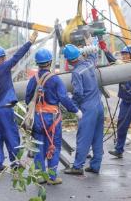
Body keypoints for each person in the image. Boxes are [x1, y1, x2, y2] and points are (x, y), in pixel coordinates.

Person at [25, 48, 82, 185]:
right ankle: (52, 177)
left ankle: (40, 176)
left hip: (38, 118)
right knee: (53, 145)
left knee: (39, 146)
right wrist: (76, 111)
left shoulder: (34, 79)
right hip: (52, 118)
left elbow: (28, 99)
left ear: (38, 63)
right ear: (50, 62)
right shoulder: (55, 79)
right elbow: (63, 98)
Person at [0, 31, 38, 172]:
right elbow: (16, 57)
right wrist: (30, 42)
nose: (6, 58)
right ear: (1, 58)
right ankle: (15, 161)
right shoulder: (2, 68)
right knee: (11, 134)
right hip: (5, 108)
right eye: (4, 57)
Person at [63, 44, 104, 175]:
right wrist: (90, 43)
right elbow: (93, 53)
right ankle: (95, 165)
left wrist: (72, 105)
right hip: (98, 105)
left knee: (83, 137)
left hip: (88, 108)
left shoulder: (76, 72)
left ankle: (77, 167)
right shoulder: (89, 63)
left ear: (68, 60)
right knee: (97, 137)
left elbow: (79, 93)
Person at [105, 46, 131, 161]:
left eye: (126, 54)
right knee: (121, 126)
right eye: (122, 54)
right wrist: (104, 49)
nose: (123, 56)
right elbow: (112, 59)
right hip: (126, 102)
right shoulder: (120, 66)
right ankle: (119, 150)